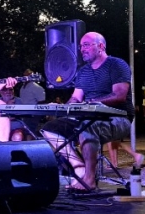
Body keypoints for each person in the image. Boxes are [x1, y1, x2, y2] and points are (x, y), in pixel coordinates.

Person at [40, 32, 134, 191]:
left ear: (101, 46)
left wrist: (89, 102)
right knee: (49, 129)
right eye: (81, 46)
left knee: (88, 127)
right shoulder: (83, 72)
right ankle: (79, 168)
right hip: (87, 116)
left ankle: (89, 180)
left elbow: (120, 95)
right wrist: (63, 106)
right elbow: (76, 98)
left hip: (118, 118)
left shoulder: (117, 65)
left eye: (86, 45)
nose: (82, 49)